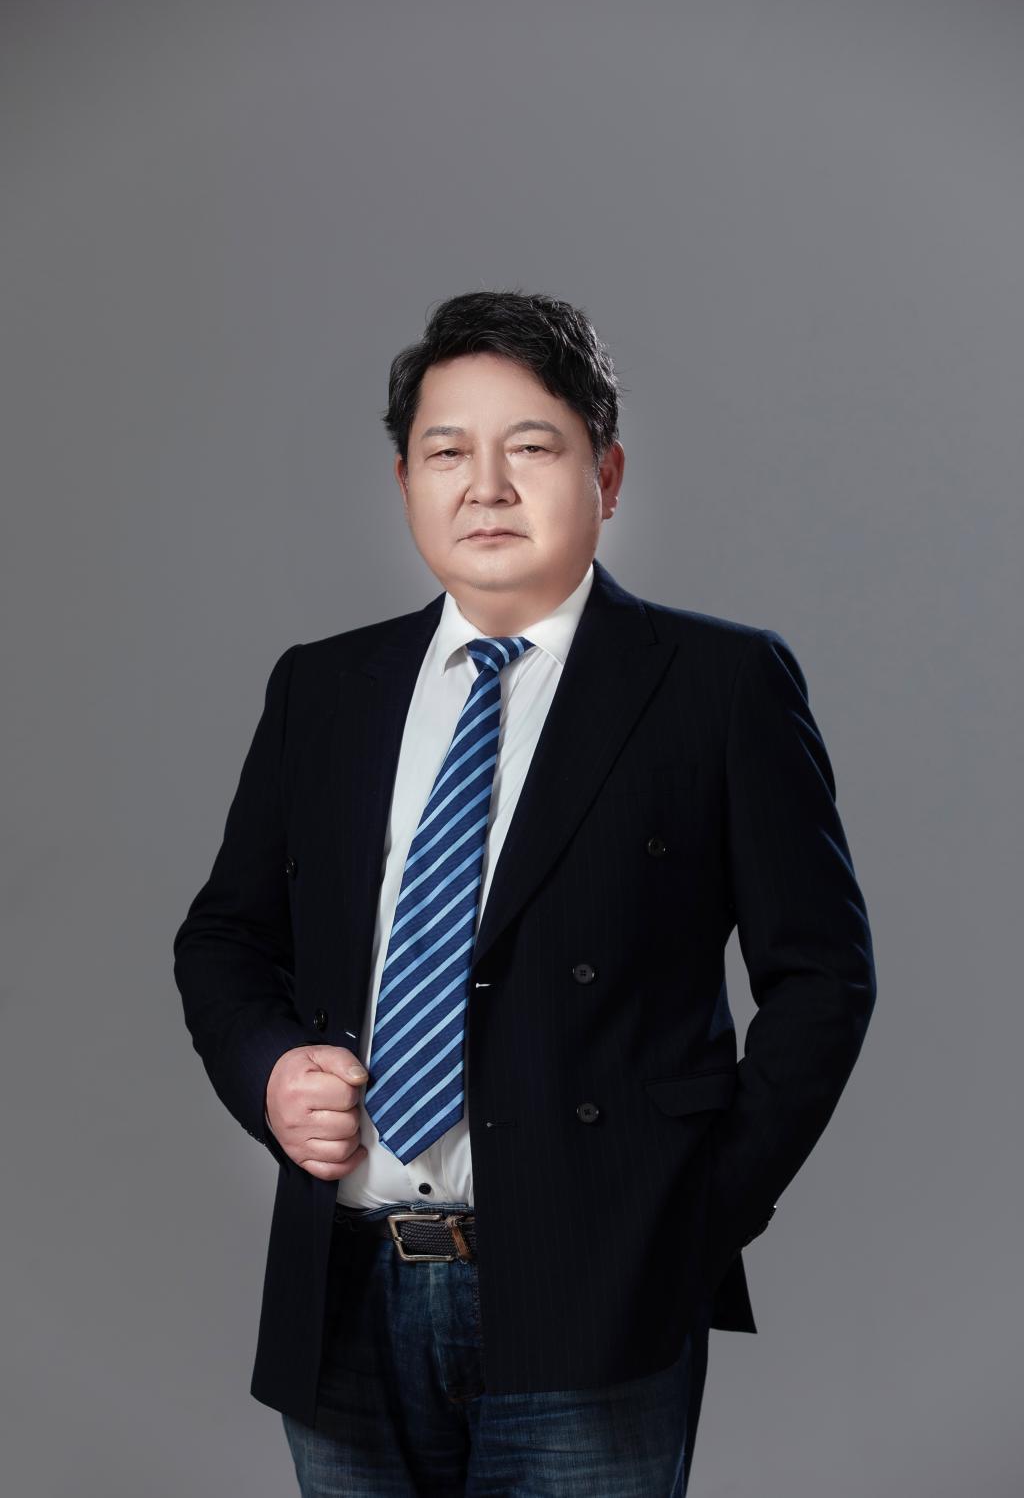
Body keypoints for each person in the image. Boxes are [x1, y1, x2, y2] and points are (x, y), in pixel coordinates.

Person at [172, 288, 876, 1496]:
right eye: (447, 452)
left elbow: (822, 978)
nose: (485, 487)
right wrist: (272, 1074)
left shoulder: (717, 684)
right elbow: (225, 940)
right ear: (405, 481)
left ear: (606, 476)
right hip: (341, 1288)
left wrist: (690, 1219)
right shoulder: (323, 689)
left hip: (595, 1292)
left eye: (532, 448)